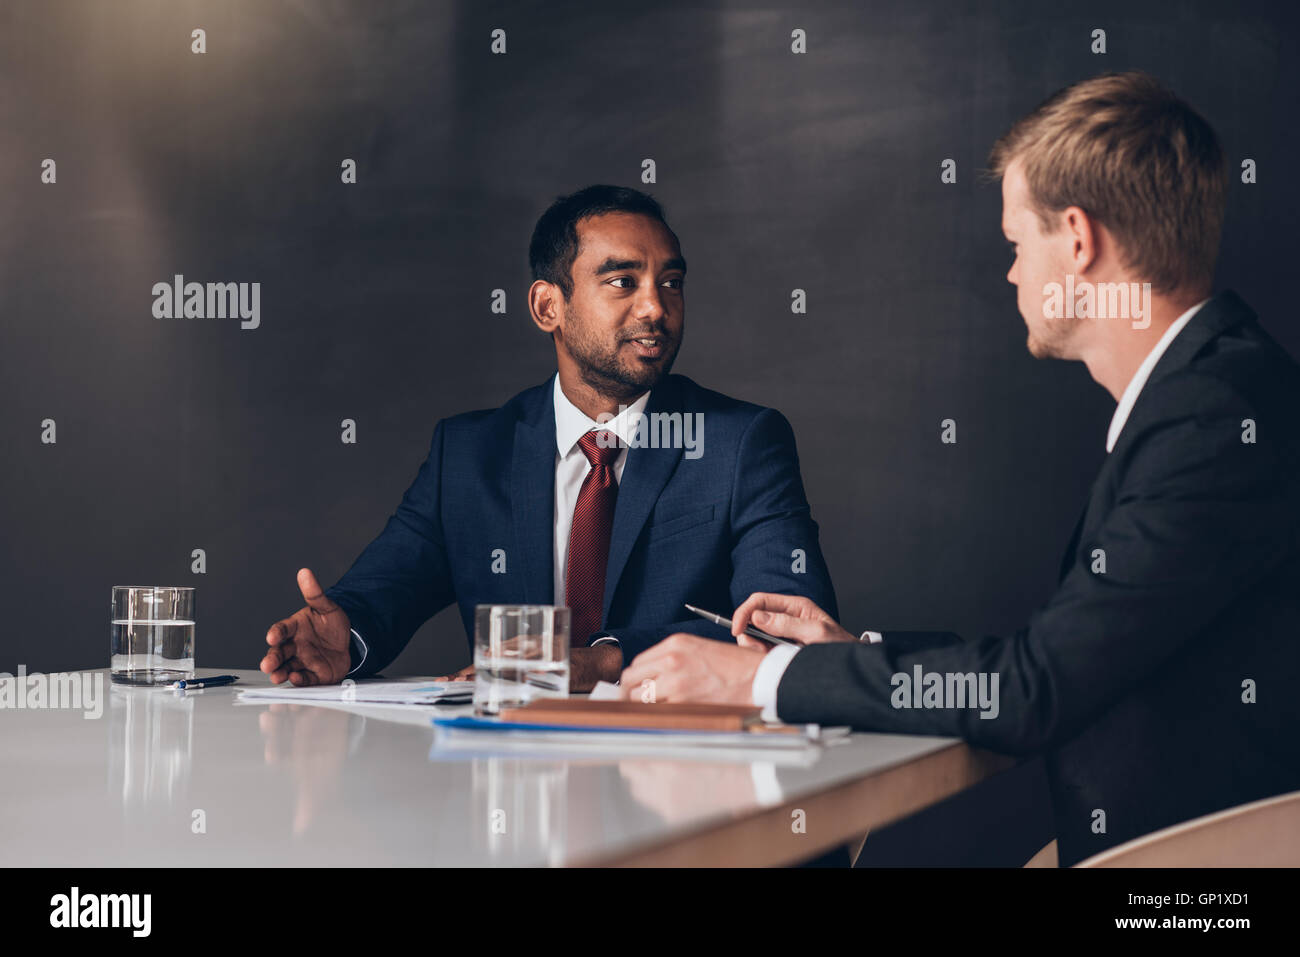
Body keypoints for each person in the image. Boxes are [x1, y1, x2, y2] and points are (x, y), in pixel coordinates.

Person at [620, 73, 1300, 865]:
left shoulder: (1212, 418)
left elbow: (1034, 689)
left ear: (1078, 241)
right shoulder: (1219, 390)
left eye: (1018, 244)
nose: (1012, 273)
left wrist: (762, 679)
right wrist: (843, 656)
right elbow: (1063, 658)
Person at [261, 185, 837, 692]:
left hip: (678, 771)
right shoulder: (469, 455)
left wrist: (603, 660)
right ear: (547, 306)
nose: (656, 307)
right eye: (622, 282)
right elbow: (386, 589)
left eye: (671, 282)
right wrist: (348, 637)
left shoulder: (742, 444)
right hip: (512, 787)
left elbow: (786, 625)